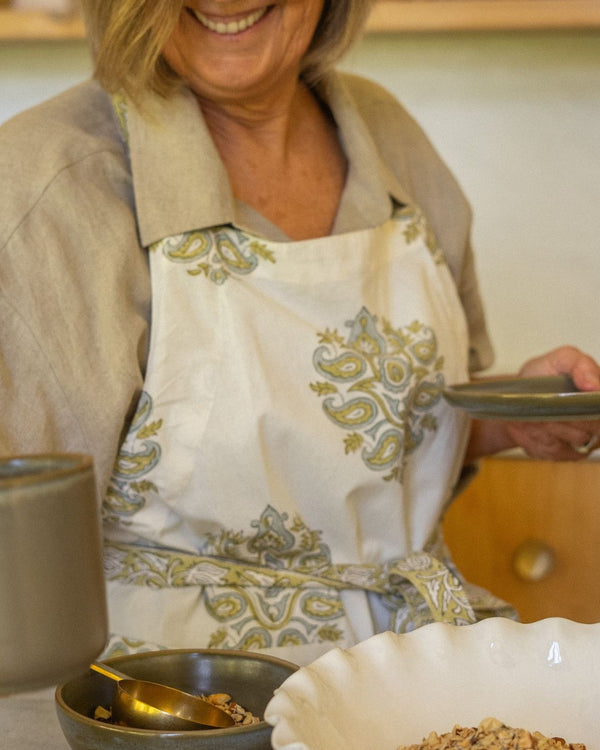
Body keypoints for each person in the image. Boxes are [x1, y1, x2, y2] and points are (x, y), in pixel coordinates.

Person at [1, 0, 599, 665]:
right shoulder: (45, 185)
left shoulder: (385, 133)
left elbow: (370, 452)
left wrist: (509, 416)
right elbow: (21, 561)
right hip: (181, 697)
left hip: (408, 676)